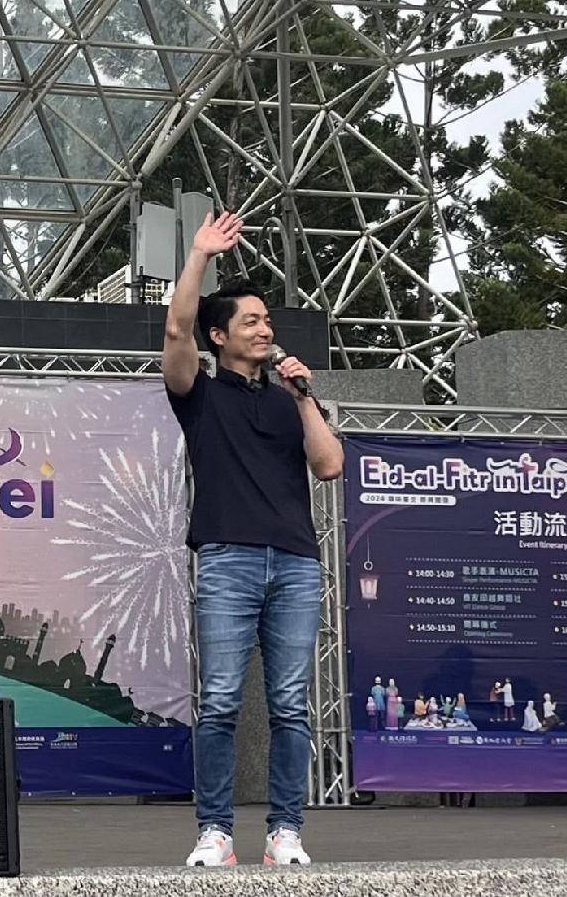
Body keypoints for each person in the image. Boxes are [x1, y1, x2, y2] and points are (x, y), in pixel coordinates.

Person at [163, 211, 343, 868]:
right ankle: (215, 831)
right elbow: (176, 329)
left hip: (295, 562)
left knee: (291, 705)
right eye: (250, 322)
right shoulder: (199, 393)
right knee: (220, 703)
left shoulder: (287, 398)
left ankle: (285, 831)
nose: (265, 330)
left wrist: (303, 397)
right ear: (220, 336)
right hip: (227, 560)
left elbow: (329, 464)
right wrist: (200, 256)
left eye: (268, 321)